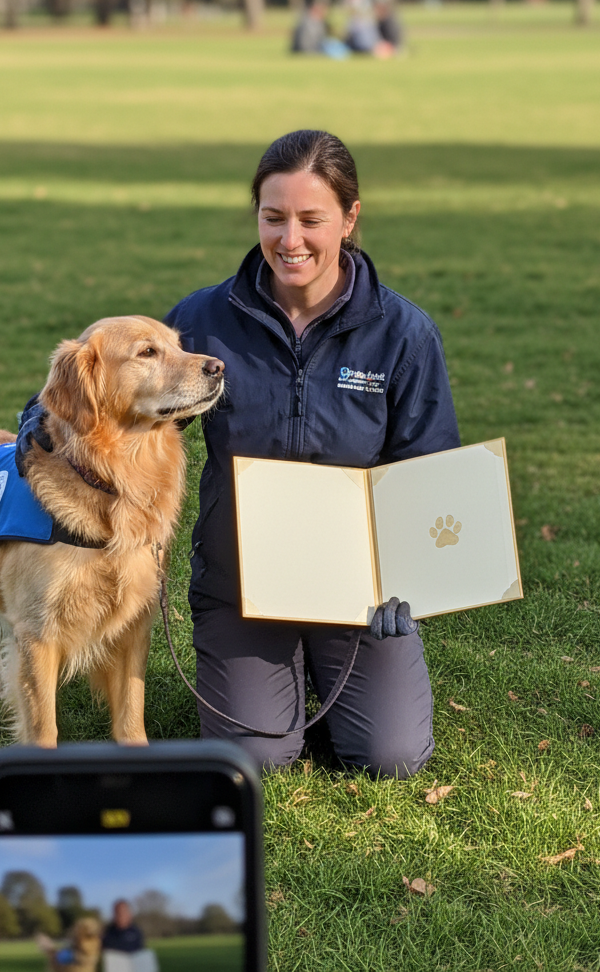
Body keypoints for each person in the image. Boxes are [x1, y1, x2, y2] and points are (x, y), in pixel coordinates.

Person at [162, 130, 460, 776]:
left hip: (356, 593)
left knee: (392, 757)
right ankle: (272, 694)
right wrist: (38, 426)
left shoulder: (403, 333)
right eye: (273, 218)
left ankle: (324, 684)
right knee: (256, 757)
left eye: (310, 219)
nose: (289, 240)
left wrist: (407, 583)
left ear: (350, 219)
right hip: (240, 585)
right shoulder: (205, 320)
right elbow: (120, 393)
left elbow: (433, 471)